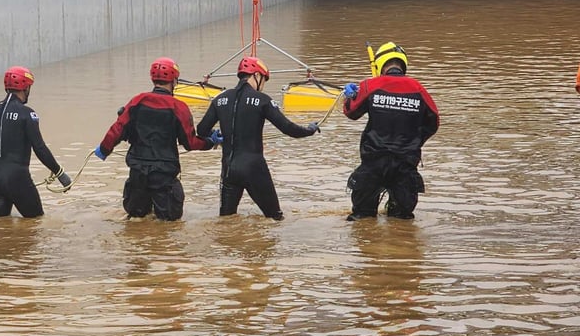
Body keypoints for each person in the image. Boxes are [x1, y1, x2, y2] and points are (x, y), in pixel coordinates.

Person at [196, 56, 319, 221]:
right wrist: (309, 129)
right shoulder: (262, 100)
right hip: (254, 168)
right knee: (276, 219)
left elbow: (201, 129)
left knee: (226, 222)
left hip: (228, 169)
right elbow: (288, 129)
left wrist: (214, 136)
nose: (263, 85)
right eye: (264, 80)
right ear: (256, 75)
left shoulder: (220, 99)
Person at [93, 57, 214, 221]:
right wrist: (211, 142)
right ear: (174, 81)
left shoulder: (137, 101)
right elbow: (190, 143)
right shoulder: (179, 107)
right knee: (169, 225)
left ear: (152, 79)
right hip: (164, 176)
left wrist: (104, 149)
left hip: (138, 174)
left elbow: (118, 129)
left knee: (136, 221)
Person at [342, 42, 440, 221]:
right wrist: (415, 141)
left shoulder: (370, 85)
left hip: (373, 162)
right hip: (405, 164)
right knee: (402, 221)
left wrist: (349, 97)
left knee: (361, 219)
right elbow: (433, 121)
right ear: (403, 64)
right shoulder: (418, 88)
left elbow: (351, 113)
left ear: (380, 64)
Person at [0, 66, 72, 219]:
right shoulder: (27, 114)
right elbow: (40, 148)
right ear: (25, 87)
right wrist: (59, 173)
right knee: (36, 224)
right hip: (18, 178)